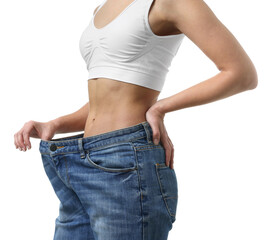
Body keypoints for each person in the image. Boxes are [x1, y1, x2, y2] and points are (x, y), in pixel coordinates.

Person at [13, 0, 258, 239]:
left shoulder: (172, 2)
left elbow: (242, 74)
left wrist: (160, 108)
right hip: (75, 162)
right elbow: (109, 97)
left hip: (125, 160)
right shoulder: (102, 7)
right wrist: (54, 124)